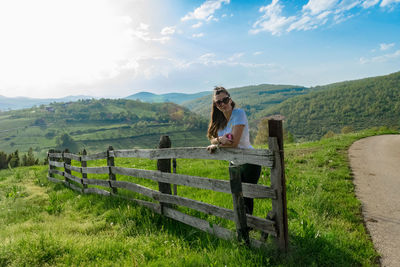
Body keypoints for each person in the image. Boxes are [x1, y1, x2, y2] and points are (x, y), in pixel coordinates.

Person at [207, 86, 261, 215]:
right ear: (215, 104)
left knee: (247, 198)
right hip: (234, 163)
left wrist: (218, 144)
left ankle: (248, 228)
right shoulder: (219, 121)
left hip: (249, 162)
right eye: (218, 102)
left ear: (230, 99)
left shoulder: (239, 113)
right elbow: (212, 139)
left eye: (225, 100)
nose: (223, 104)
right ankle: (242, 228)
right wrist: (219, 140)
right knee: (237, 197)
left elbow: (234, 143)